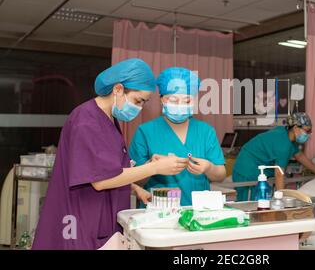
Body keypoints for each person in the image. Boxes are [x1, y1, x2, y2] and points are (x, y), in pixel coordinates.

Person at [32, 59, 188, 250]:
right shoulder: (86, 121)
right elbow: (101, 180)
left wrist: (135, 187)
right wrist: (154, 168)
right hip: (79, 221)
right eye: (138, 101)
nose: (139, 109)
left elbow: (106, 168)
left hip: (98, 218)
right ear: (118, 89)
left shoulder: (108, 119)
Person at [129, 67, 226, 206]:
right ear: (162, 99)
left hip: (198, 211)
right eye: (173, 100)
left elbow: (221, 175)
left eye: (186, 101)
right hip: (157, 214)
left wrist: (209, 168)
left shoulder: (205, 131)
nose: (180, 106)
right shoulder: (145, 131)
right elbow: (133, 181)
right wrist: (152, 166)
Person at [232, 112, 315, 202]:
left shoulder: (285, 133)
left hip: (248, 165)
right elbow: (279, 174)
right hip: (246, 171)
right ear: (296, 128)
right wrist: (281, 200)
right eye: (307, 131)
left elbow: (299, 156)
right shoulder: (283, 145)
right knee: (249, 206)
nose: (309, 134)